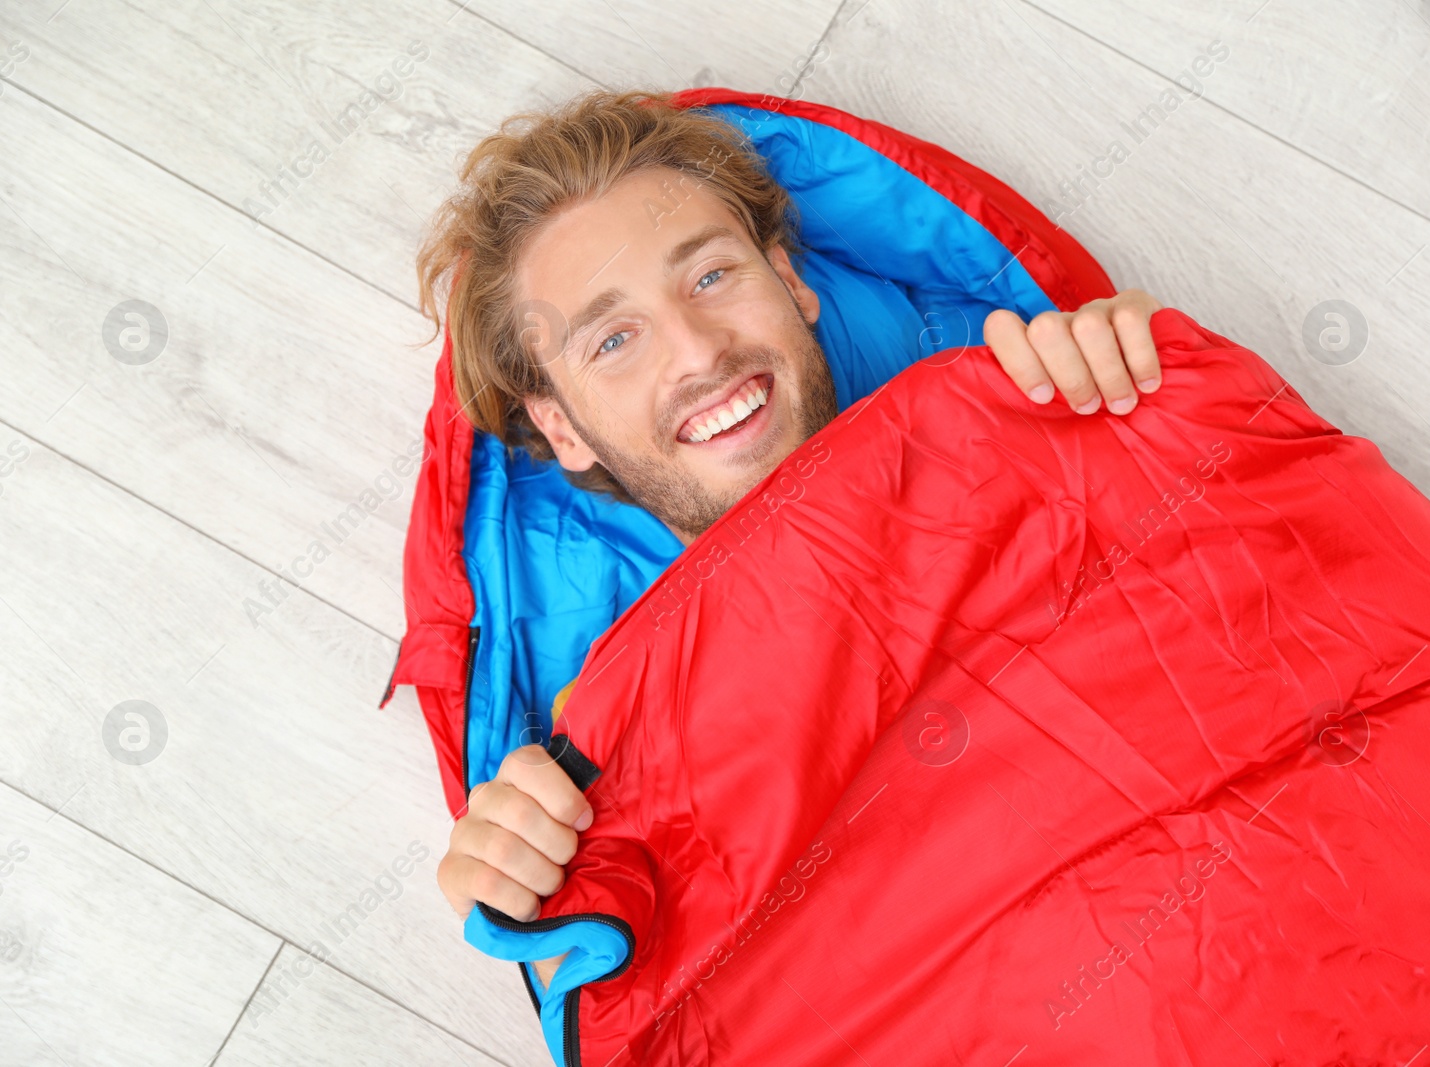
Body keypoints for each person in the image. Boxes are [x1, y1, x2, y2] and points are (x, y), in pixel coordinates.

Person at [422, 88, 1164, 990]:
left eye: (709, 277)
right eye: (615, 340)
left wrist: (1142, 402)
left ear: (792, 280)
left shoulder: (1029, 424)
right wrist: (520, 868)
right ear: (563, 428)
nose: (696, 352)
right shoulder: (606, 727)